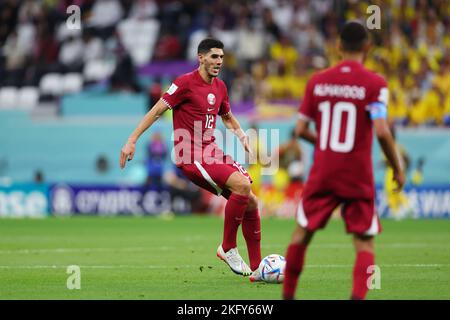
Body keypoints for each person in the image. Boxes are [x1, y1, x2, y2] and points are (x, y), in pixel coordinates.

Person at [281, 21, 405, 299]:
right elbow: (383, 131)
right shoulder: (376, 83)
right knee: (364, 241)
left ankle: (288, 296)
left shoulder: (318, 81)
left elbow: (300, 130)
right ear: (367, 47)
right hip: (357, 174)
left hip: (323, 171)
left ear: (337, 47)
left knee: (302, 232)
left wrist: (324, 144)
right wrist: (397, 167)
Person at [119, 38, 261, 278]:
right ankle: (228, 248)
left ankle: (258, 269)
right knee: (242, 184)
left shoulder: (221, 87)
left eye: (222, 57)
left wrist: (241, 136)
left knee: (251, 201)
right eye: (214, 56)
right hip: (190, 155)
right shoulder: (184, 83)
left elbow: (226, 116)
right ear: (201, 57)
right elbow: (157, 111)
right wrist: (132, 139)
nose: (219, 61)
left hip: (211, 151)